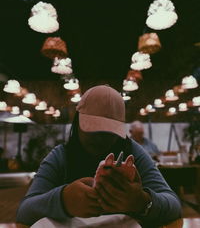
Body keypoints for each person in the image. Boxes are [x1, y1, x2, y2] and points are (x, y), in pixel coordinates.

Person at [16, 85, 181, 227]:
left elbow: (174, 206)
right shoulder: (61, 156)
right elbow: (25, 211)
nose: (100, 137)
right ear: (77, 122)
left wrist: (141, 201)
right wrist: (63, 200)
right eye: (93, 128)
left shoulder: (133, 152)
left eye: (108, 131)